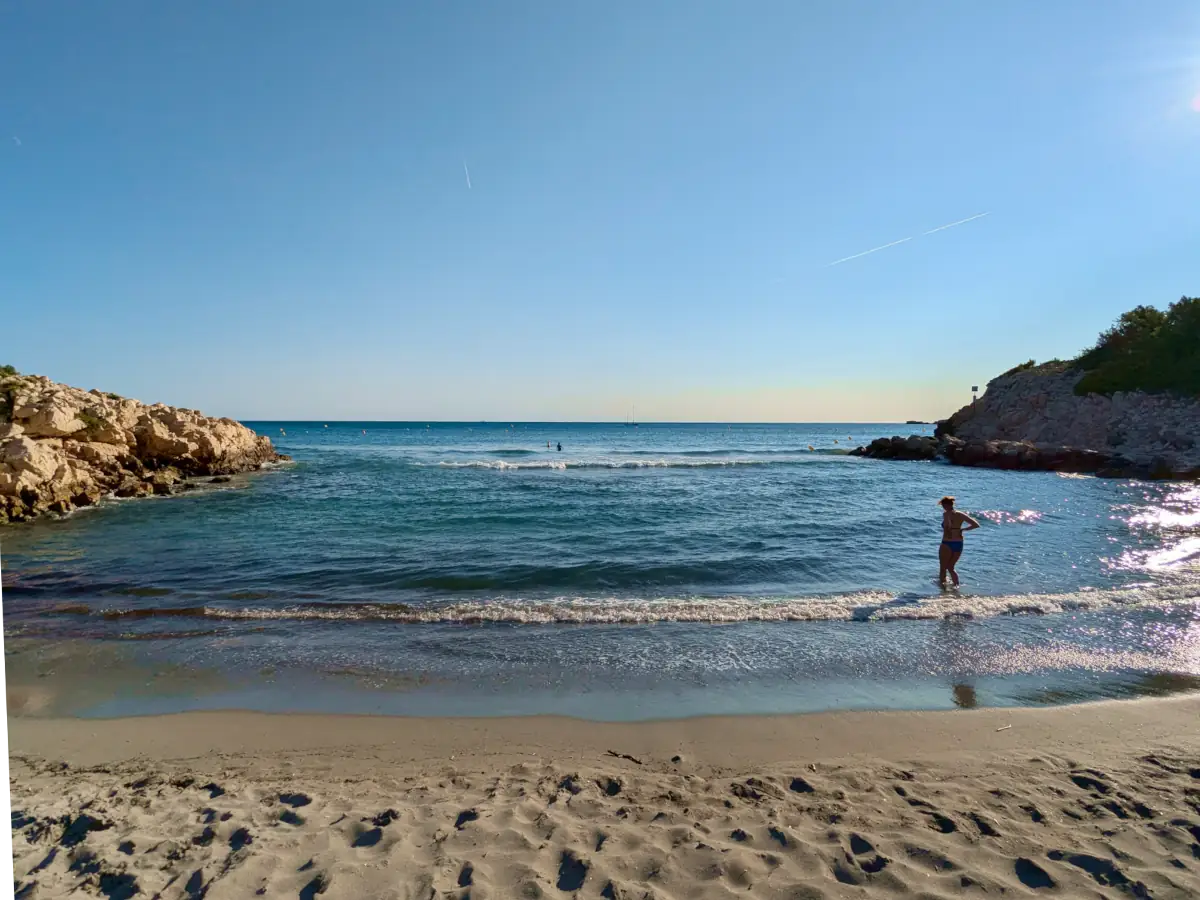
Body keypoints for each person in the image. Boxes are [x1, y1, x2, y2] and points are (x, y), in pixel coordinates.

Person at [938, 496, 979, 588]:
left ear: (946, 505)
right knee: (951, 568)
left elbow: (948, 526)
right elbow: (976, 525)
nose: (943, 508)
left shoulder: (946, 514)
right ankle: (956, 586)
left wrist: (947, 519)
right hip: (959, 543)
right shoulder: (960, 514)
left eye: (943, 506)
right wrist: (962, 529)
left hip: (947, 543)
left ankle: (942, 590)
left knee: (943, 568)